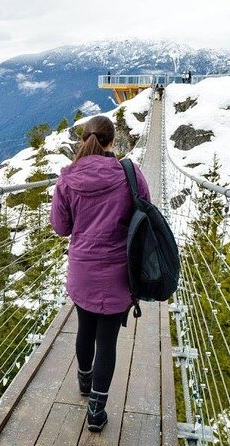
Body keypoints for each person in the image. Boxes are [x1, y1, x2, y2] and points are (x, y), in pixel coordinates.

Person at [50, 115, 151, 432]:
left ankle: (83, 382)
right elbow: (144, 209)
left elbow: (60, 227)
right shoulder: (129, 173)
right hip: (120, 273)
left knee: (85, 328)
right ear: (112, 141)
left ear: (84, 141)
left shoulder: (67, 179)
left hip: (82, 271)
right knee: (107, 341)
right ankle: (96, 412)